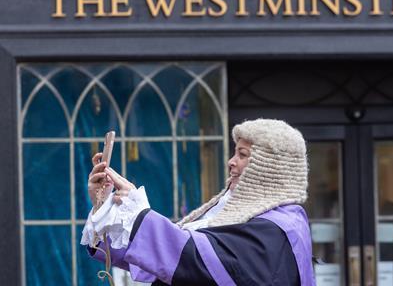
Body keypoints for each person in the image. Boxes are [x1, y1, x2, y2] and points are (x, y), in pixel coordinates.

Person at [81, 118, 315, 286]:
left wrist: (138, 211)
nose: (231, 162)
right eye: (235, 153)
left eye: (242, 155)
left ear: (269, 166)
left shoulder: (277, 228)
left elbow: (197, 261)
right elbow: (170, 258)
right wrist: (105, 206)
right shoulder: (238, 215)